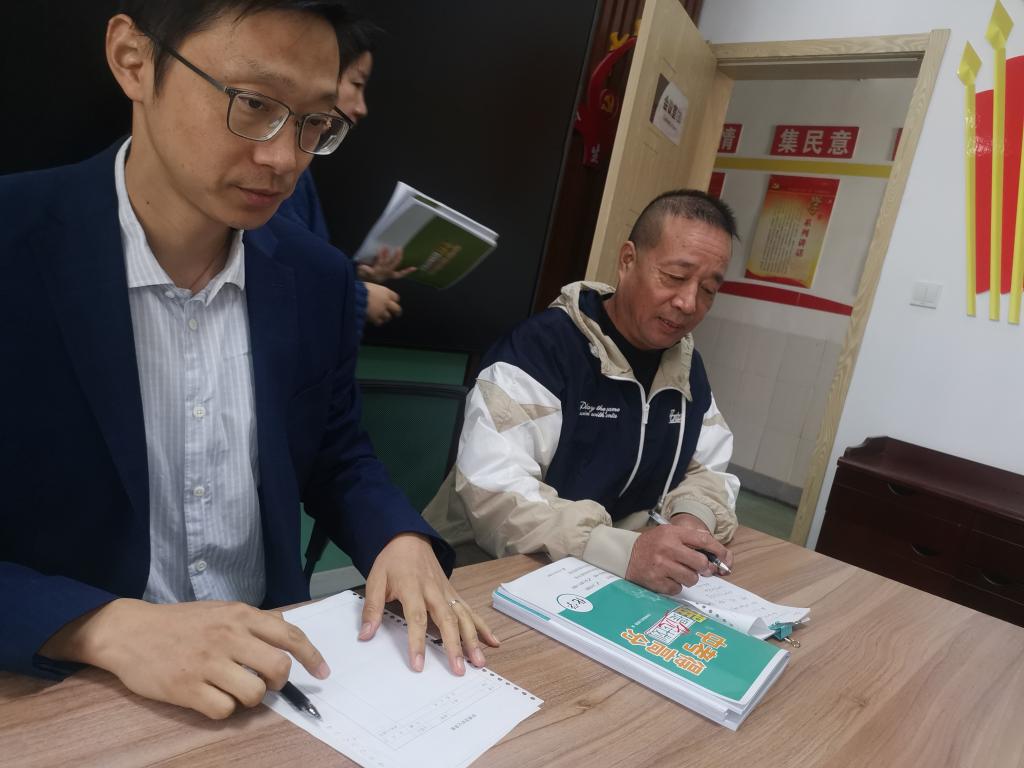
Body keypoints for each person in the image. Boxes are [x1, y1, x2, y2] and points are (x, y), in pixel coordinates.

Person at [0, 0, 496, 721]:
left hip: (273, 685)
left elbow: (334, 453)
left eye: (315, 122)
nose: (284, 158)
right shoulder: (15, 243)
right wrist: (103, 627)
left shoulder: (317, 278)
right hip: (65, 694)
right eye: (254, 104)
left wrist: (398, 536)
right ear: (134, 60)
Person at [425, 189, 740, 596]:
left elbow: (707, 470)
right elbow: (496, 494)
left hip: (598, 580)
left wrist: (690, 523)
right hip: (480, 571)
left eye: (709, 289)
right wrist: (620, 550)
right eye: (676, 277)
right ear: (627, 261)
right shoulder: (540, 351)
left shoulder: (686, 368)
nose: (688, 302)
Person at [275, 17, 411, 331]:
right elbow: (281, 269)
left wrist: (358, 277)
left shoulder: (302, 168)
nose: (361, 107)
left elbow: (305, 261)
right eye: (356, 84)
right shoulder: (285, 165)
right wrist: (357, 297)